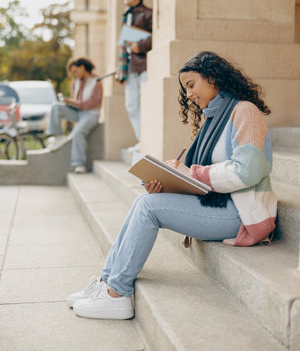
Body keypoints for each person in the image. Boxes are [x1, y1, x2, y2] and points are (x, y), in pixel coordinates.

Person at [67, 51, 277, 320]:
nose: (188, 94)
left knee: (148, 208)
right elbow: (204, 178)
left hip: (244, 215)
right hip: (223, 206)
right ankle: (107, 282)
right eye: (185, 89)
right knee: (146, 201)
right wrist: (169, 181)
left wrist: (192, 173)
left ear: (213, 77)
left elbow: (247, 171)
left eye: (191, 85)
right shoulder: (214, 118)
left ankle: (116, 294)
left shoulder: (244, 111)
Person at [47, 57, 102, 174]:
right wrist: (70, 102)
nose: (74, 75)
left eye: (75, 71)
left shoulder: (96, 80)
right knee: (56, 106)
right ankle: (58, 136)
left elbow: (94, 102)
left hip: (91, 114)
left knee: (77, 132)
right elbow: (76, 100)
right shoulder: (74, 82)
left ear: (82, 67)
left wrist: (75, 102)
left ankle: (79, 164)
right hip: (77, 112)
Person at [117, 0, 152, 152]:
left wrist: (141, 46)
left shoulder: (147, 14)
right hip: (129, 67)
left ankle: (146, 141)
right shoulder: (127, 15)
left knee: (145, 104)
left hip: (143, 66)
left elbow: (157, 35)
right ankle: (141, 140)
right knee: (131, 106)